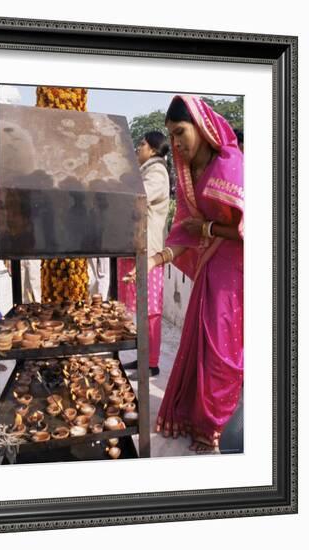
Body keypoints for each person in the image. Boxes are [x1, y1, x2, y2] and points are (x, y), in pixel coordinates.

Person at [146, 95, 244, 454]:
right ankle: (196, 418)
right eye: (170, 135)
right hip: (210, 266)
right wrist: (156, 260)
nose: (175, 143)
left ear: (201, 128)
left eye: (180, 132)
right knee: (200, 344)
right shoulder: (188, 174)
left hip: (236, 267)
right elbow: (187, 231)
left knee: (221, 348)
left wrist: (208, 229)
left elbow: (253, 228)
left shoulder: (230, 163)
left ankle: (216, 426)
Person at [118, 131, 170, 376]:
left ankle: (151, 363)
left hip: (148, 253)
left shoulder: (156, 172)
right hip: (137, 248)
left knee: (149, 310)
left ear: (152, 149)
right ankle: (142, 359)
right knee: (138, 308)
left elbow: (137, 198)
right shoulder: (146, 171)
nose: (138, 149)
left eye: (142, 145)